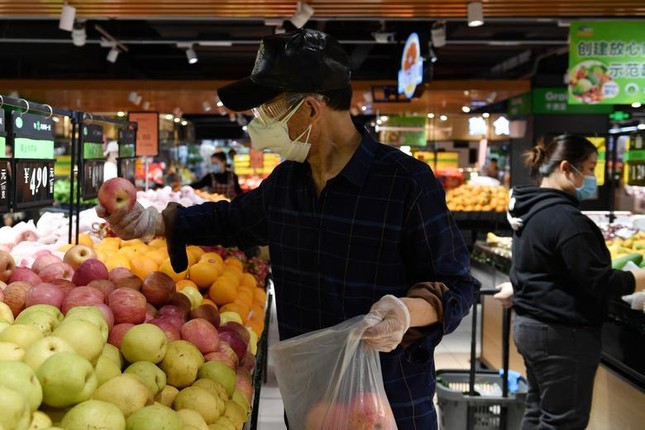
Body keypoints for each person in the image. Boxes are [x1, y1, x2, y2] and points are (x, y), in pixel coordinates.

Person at [97, 28, 479, 429]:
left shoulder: (406, 183)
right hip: (310, 399)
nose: (259, 124)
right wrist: (153, 221)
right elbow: (232, 221)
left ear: (311, 110)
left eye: (268, 111)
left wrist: (406, 312)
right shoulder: (287, 182)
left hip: (388, 397)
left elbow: (456, 284)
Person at [494, 134, 645, 429]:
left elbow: (539, 268)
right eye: (589, 169)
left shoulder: (529, 211)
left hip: (531, 326)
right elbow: (601, 282)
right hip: (563, 335)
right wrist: (639, 278)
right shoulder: (568, 221)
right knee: (562, 422)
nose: (593, 178)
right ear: (565, 168)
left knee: (538, 411)